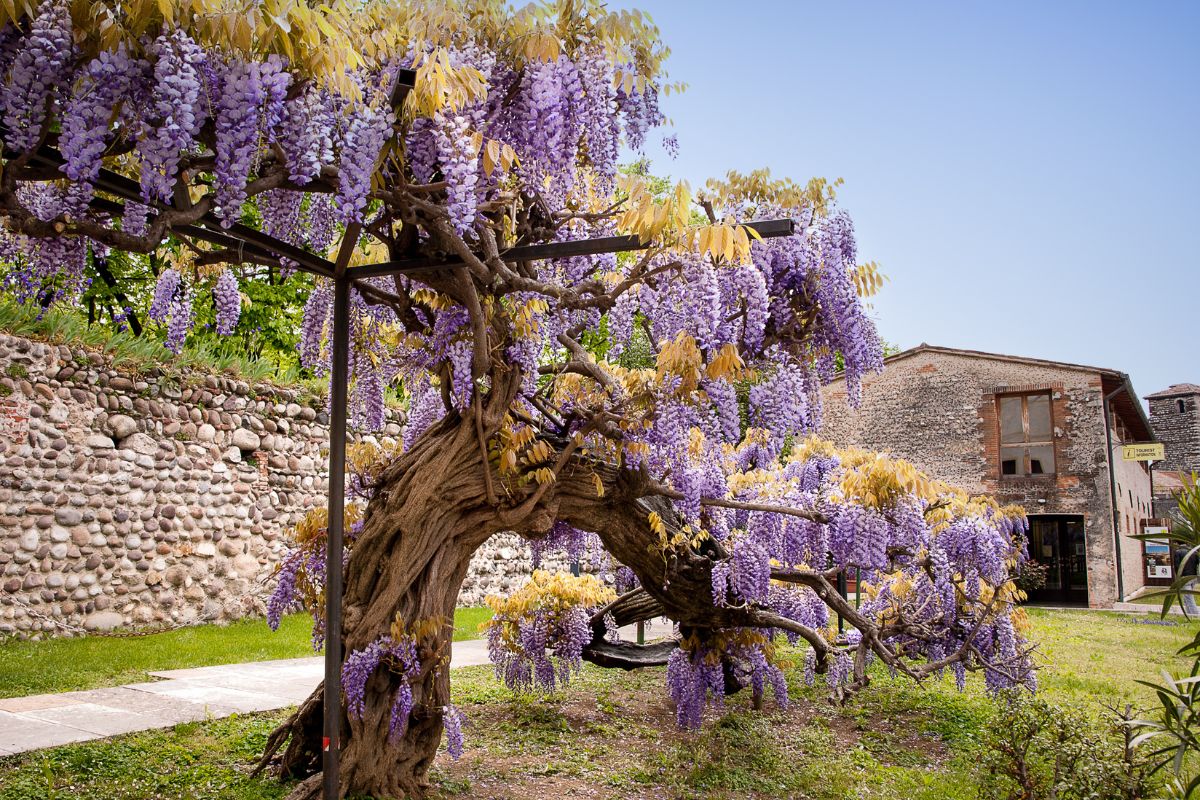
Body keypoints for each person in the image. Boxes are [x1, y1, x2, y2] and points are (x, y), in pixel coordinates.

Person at [1173, 543, 1199, 616]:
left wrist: (1178, 577)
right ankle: (1189, 613)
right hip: (1193, 576)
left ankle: (1194, 613)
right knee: (1187, 596)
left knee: (1188, 596)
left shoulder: (1178, 552)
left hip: (1184, 577)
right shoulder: (1194, 552)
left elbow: (1177, 566)